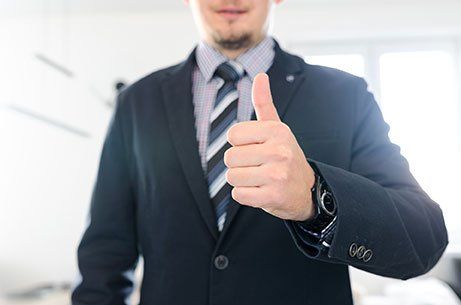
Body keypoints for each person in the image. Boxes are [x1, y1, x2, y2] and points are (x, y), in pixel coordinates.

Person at [71, 1, 449, 304]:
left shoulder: (344, 96)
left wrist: (315, 197)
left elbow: (423, 241)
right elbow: (106, 249)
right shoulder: (137, 102)